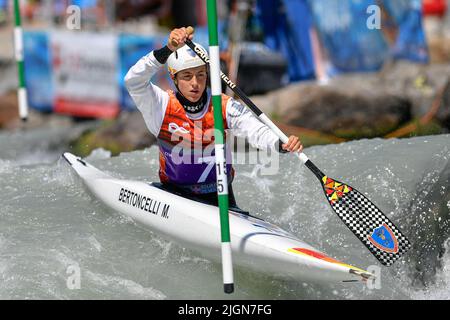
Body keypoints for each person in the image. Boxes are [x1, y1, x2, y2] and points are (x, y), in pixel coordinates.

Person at [125, 27, 303, 210]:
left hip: (220, 198)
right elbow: (133, 80)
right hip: (174, 195)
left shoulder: (222, 106)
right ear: (174, 78)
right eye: (187, 76)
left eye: (200, 75)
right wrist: (167, 50)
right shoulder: (160, 106)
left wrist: (280, 143)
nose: (195, 83)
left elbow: (255, 130)